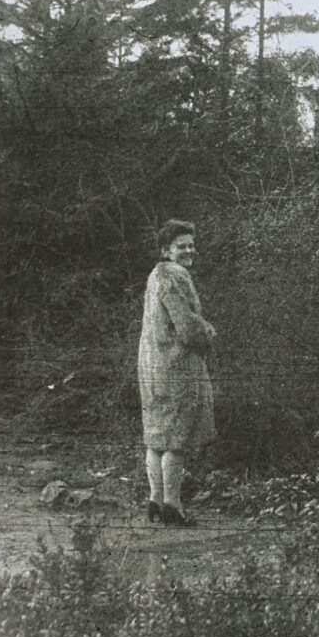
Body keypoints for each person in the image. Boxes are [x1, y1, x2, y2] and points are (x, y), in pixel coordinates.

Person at [137, 220, 216, 526]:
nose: (188, 251)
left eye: (191, 245)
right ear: (165, 250)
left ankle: (155, 501)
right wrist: (207, 333)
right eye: (181, 246)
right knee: (176, 438)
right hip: (176, 365)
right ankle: (173, 505)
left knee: (156, 435)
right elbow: (186, 326)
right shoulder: (175, 275)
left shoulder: (155, 275)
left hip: (152, 363)